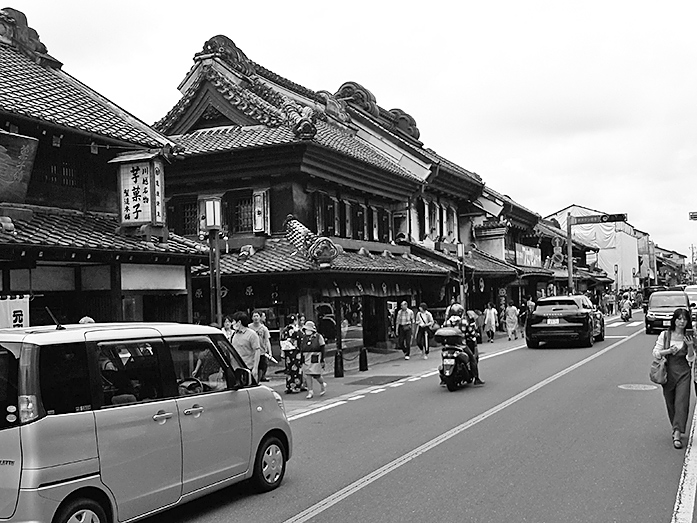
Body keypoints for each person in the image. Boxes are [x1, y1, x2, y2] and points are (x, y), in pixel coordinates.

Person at [652, 308, 694, 449]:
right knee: (670, 402)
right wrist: (668, 351)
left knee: (681, 402)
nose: (682, 322)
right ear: (674, 320)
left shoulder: (690, 337)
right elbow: (656, 353)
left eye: (684, 319)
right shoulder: (665, 335)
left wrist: (689, 347)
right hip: (668, 373)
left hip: (684, 373)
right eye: (679, 318)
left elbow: (691, 359)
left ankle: (677, 433)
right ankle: (675, 426)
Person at [443, 303, 484, 385]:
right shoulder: (463, 322)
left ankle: (443, 379)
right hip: (461, 346)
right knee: (472, 358)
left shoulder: (447, 322)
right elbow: (470, 332)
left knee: (443, 358)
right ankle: (476, 378)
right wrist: (474, 334)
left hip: (448, 346)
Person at [230, 311, 262, 382]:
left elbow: (257, 350)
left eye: (234, 321)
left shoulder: (251, 334)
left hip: (248, 368)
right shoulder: (233, 335)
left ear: (239, 322)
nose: (232, 323)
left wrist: (255, 368)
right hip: (235, 369)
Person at [299, 320, 326, 399]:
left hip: (315, 357)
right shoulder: (304, 338)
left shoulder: (318, 337)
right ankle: (310, 391)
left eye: (309, 329)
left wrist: (322, 359)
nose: (307, 331)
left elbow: (323, 347)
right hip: (306, 357)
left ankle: (322, 384)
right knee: (308, 375)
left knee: (316, 375)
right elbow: (301, 349)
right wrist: (301, 360)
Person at [281, 314, 304, 393]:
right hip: (296, 351)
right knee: (297, 369)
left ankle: (289, 386)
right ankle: (297, 386)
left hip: (288, 352)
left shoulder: (284, 330)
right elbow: (301, 341)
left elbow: (282, 341)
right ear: (295, 321)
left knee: (289, 369)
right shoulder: (297, 330)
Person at [250, 310, 271, 382]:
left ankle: (257, 381)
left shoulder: (264, 329)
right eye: (254, 316)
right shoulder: (249, 327)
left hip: (261, 351)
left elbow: (267, 340)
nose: (256, 318)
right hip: (251, 352)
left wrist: (270, 352)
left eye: (257, 316)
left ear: (260, 317)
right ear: (252, 318)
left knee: (261, 367)